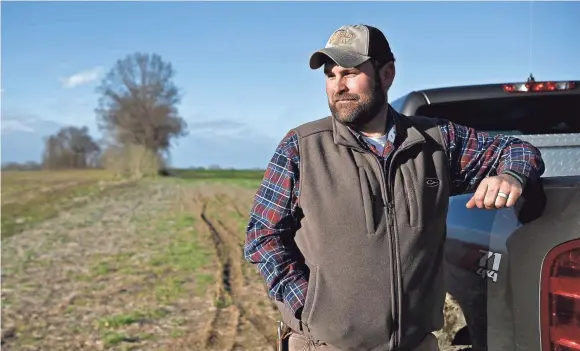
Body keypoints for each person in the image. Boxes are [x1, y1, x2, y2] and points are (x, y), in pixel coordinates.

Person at [244, 24, 545, 351]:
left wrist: (511, 176)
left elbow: (516, 150)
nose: (338, 86)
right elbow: (262, 234)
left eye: (350, 73)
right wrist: (307, 306)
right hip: (325, 345)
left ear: (387, 74)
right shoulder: (302, 147)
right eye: (330, 76)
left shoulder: (436, 141)